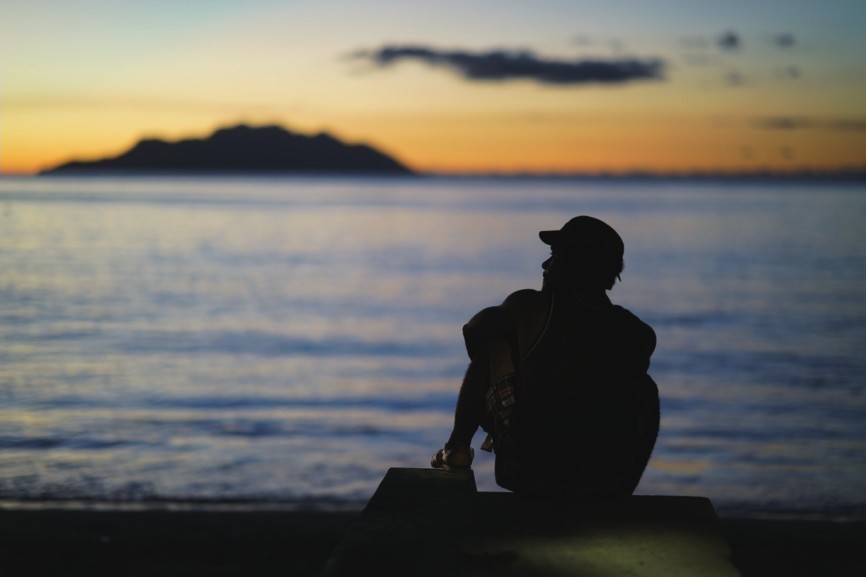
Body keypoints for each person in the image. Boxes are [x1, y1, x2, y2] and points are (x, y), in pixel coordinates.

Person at [431, 215, 659, 499]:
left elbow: (474, 331)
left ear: (576, 264)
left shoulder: (529, 308)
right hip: (606, 483)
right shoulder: (638, 333)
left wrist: (523, 355)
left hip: (531, 472)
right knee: (645, 389)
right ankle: (617, 489)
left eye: (555, 256)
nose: (545, 265)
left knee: (494, 346)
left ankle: (457, 448)